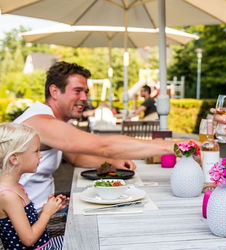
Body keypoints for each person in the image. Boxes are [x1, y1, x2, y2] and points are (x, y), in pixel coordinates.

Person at [14, 62, 178, 211]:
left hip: (43, 209)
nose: (84, 98)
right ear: (55, 91)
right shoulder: (41, 122)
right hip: (30, 221)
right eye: (77, 91)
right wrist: (172, 146)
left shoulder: (49, 118)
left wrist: (114, 163)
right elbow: (105, 146)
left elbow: (76, 157)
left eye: (85, 92)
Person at [0, 123, 68, 250]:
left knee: (77, 238)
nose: (40, 155)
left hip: (45, 245)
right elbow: (29, 239)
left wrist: (50, 209)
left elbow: (28, 224)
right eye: (36, 151)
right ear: (14, 159)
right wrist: (47, 213)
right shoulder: (7, 195)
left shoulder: (17, 187)